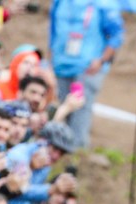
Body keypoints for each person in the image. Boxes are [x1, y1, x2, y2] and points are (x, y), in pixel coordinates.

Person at [49, 0, 125, 148]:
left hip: (87, 68)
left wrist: (102, 60)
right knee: (65, 108)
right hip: (61, 65)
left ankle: (76, 153)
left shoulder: (104, 4)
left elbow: (117, 34)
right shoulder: (59, 3)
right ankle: (60, 150)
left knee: (80, 113)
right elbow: (52, 31)